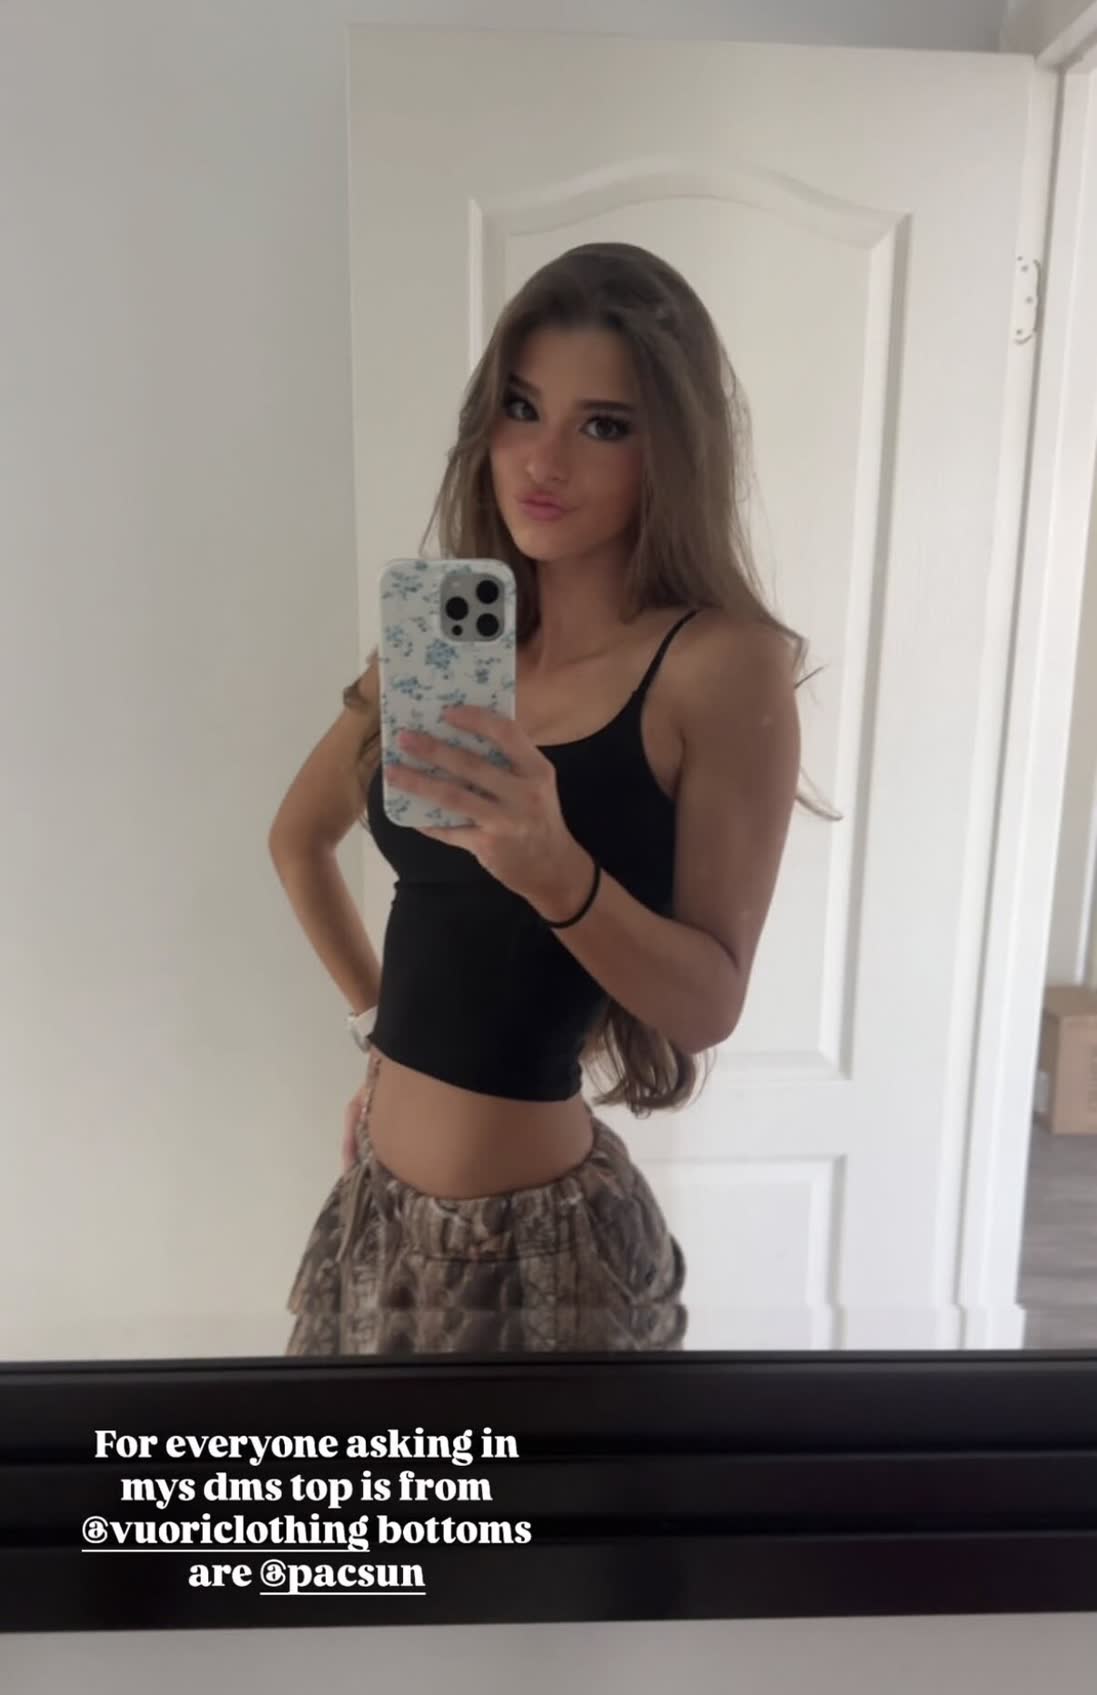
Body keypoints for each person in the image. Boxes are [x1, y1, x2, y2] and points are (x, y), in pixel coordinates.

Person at [269, 241, 802, 1356]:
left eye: (602, 425)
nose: (542, 459)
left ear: (671, 450)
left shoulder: (718, 666)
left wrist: (555, 871)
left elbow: (706, 1005)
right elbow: (297, 838)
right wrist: (377, 1035)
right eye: (520, 408)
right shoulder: (440, 647)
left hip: (543, 1259)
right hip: (371, 1220)